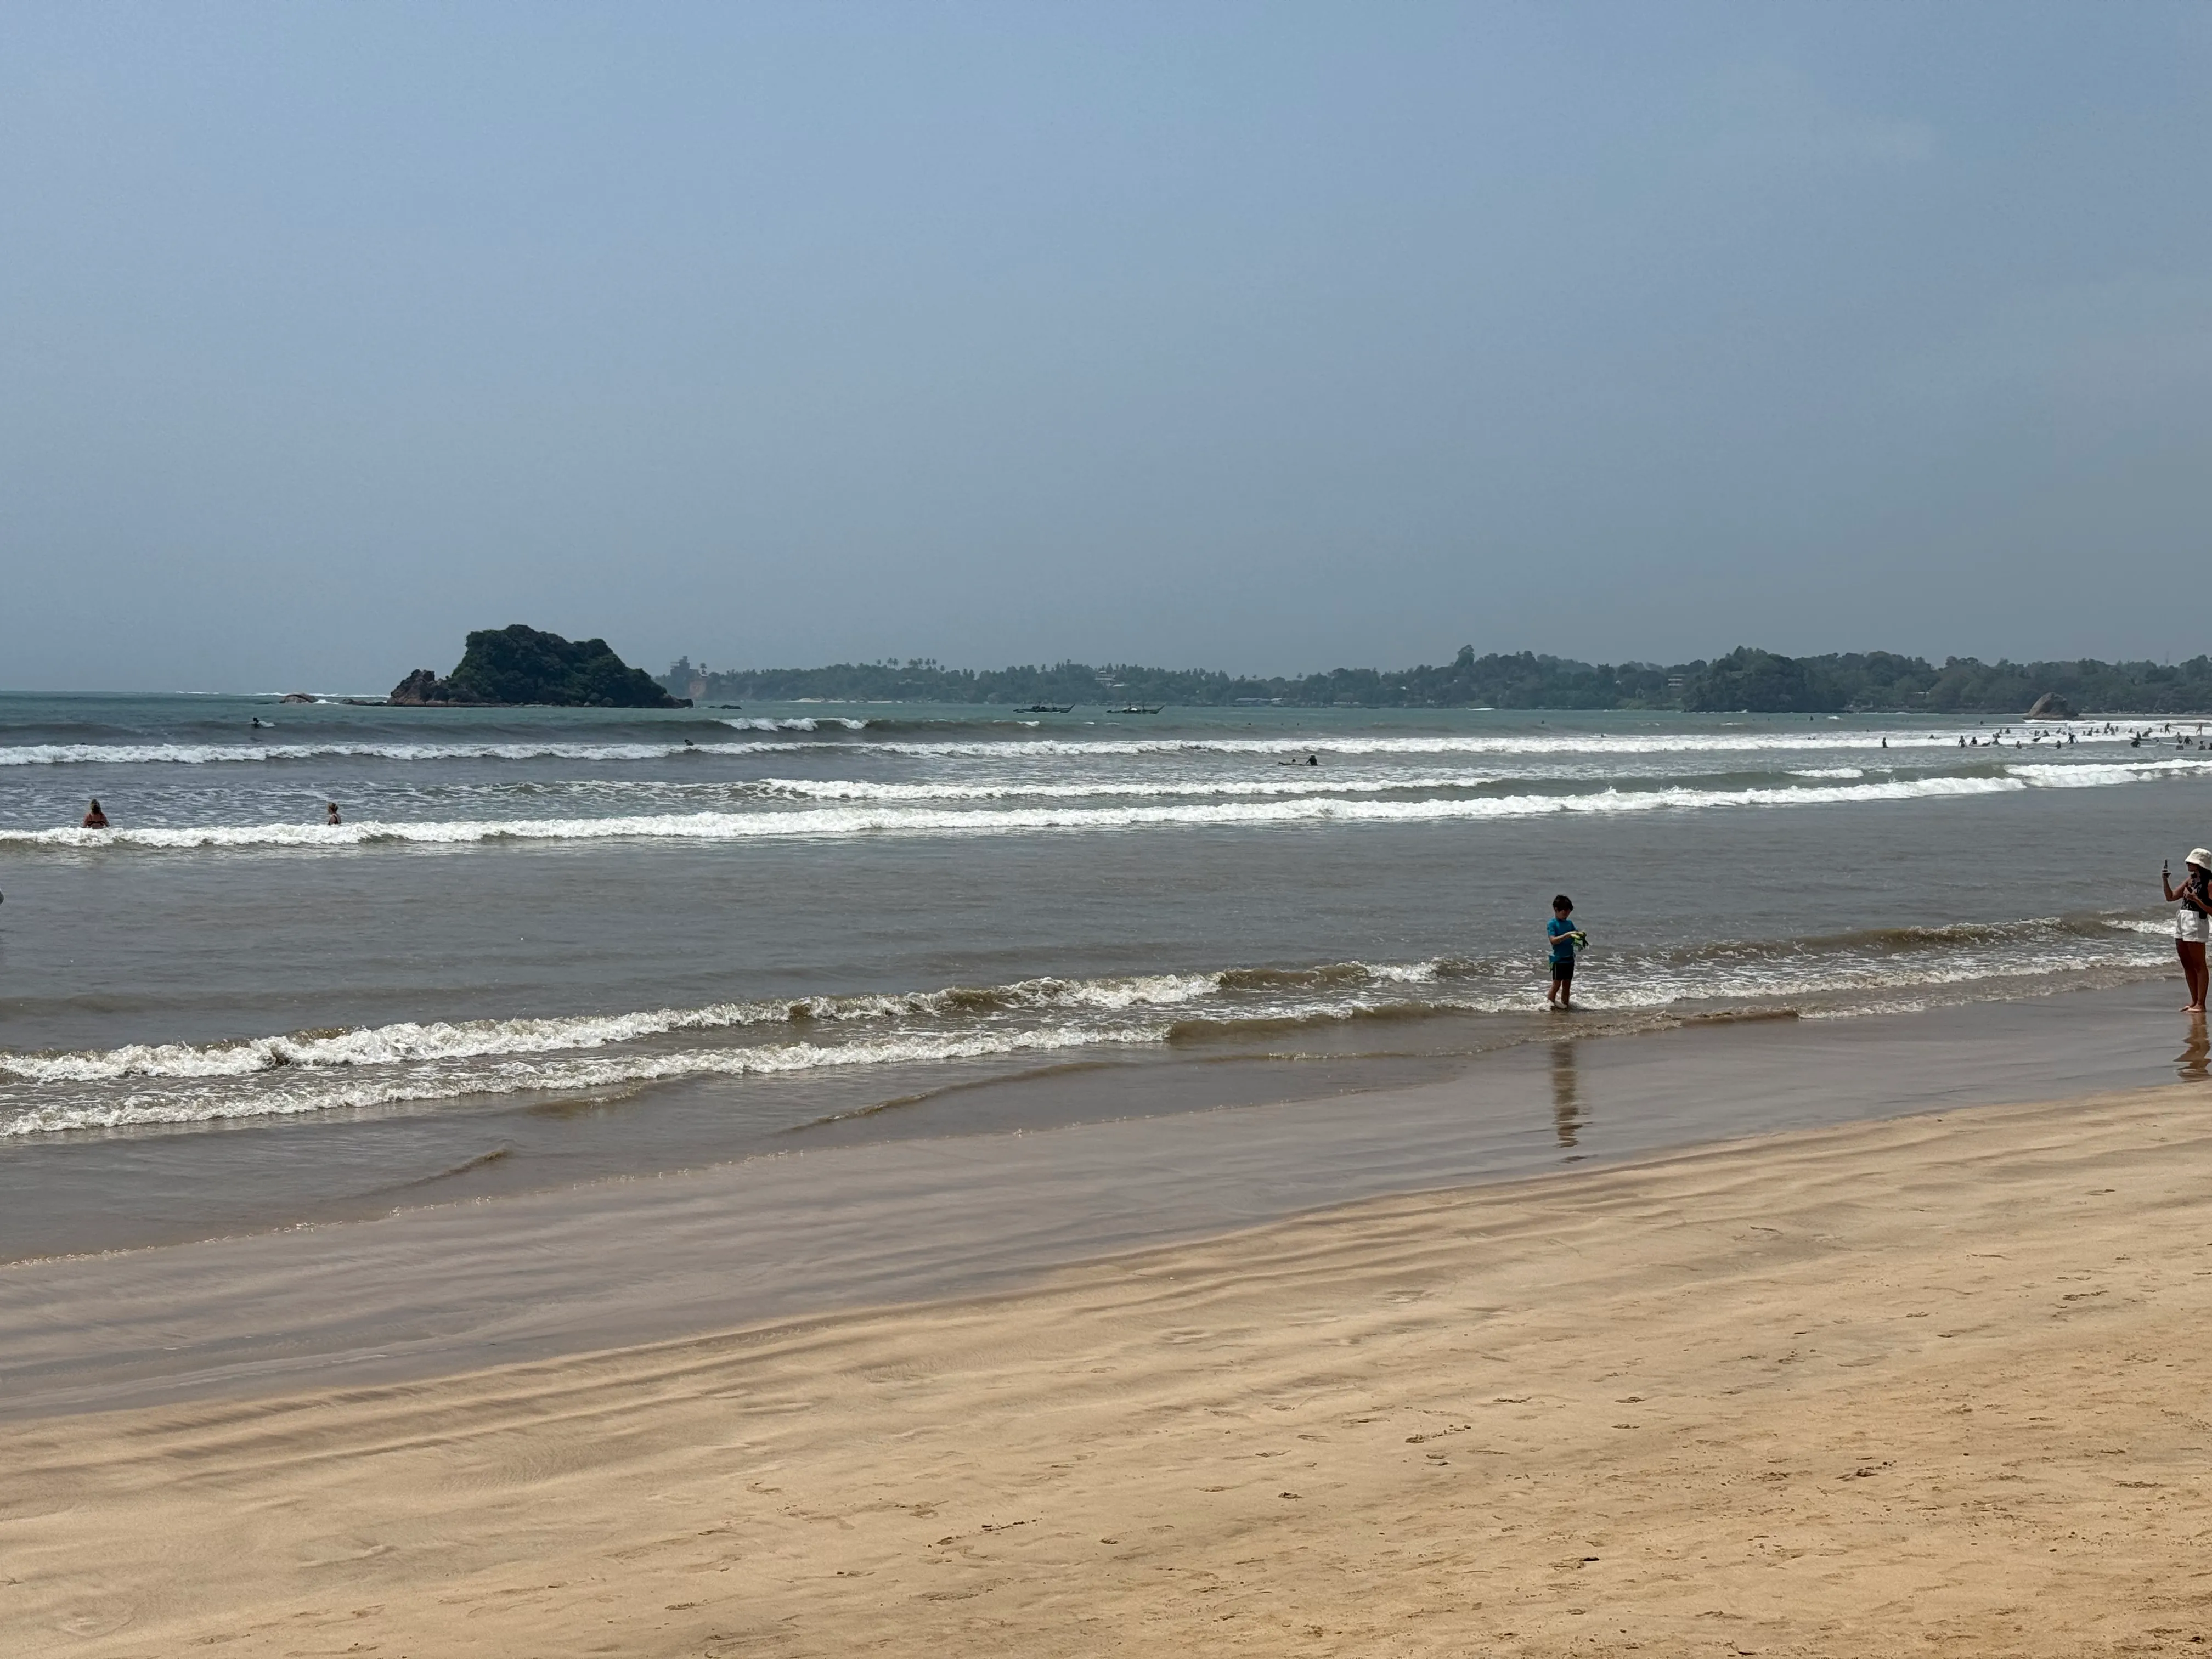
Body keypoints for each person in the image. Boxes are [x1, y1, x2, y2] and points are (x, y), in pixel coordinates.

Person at [2162, 849, 2212, 1013]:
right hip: (2182, 920)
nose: (2187, 864)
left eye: (2190, 862)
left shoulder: (2209, 883)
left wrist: (2195, 899)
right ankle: (2194, 1001)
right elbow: (2170, 897)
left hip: (2196, 920)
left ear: (2199, 864)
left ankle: (2201, 1003)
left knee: (2199, 964)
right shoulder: (2190, 880)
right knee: (2186, 963)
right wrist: (2165, 880)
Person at [1545, 894, 1587, 1009]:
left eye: (1568, 911)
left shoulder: (1569, 924)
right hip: (1559, 960)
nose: (1566, 913)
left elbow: (1574, 937)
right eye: (1564, 911)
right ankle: (1549, 1005)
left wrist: (1580, 937)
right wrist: (1568, 935)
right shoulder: (1552, 924)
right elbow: (1553, 940)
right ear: (1556, 909)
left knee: (1567, 985)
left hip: (1569, 959)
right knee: (1557, 984)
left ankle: (1565, 1006)